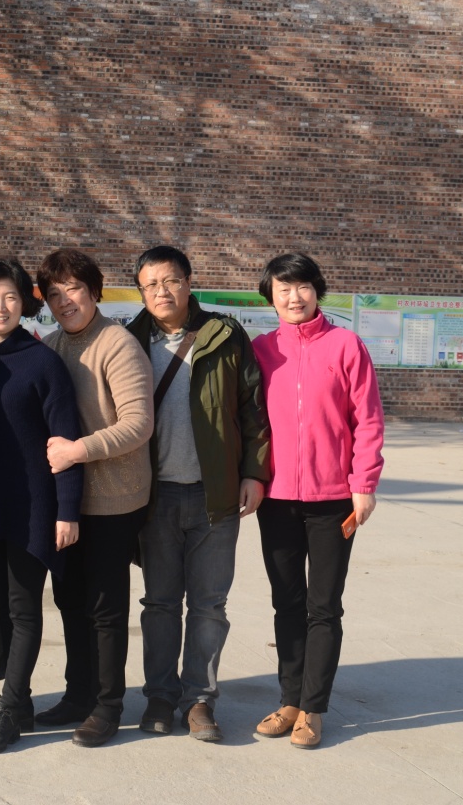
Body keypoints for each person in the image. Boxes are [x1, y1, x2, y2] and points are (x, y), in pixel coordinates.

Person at [125, 245, 270, 743]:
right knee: (160, 604)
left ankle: (200, 701)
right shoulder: (129, 340)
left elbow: (253, 410)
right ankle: (160, 697)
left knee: (209, 605)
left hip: (215, 495)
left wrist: (253, 473)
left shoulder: (225, 335)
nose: (161, 291)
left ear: (189, 282)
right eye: (150, 284)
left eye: (170, 280)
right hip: (154, 497)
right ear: (140, 292)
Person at [251, 253, 384, 749]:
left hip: (334, 500)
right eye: (283, 289)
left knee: (323, 606)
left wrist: (363, 483)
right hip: (277, 499)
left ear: (317, 290)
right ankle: (289, 700)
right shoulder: (262, 350)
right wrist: (250, 478)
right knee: (286, 602)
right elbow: (249, 423)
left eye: (302, 286)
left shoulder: (347, 345)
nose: (294, 297)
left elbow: (367, 419)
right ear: (270, 297)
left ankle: (313, 708)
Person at [0, 258, 82, 755]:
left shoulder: (44, 363)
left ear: (25, 303)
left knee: (25, 609)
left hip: (33, 507)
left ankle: (8, 711)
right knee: (2, 608)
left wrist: (67, 511)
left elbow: (65, 441)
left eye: (9, 297)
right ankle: (20, 703)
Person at [35, 248, 155, 747]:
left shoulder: (117, 344)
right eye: (54, 293)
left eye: (74, 289)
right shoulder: (51, 345)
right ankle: (78, 693)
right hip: (66, 503)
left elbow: (139, 423)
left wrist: (76, 450)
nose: (66, 300)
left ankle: (108, 705)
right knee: (69, 601)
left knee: (105, 607)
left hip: (113, 500)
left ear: (94, 291)